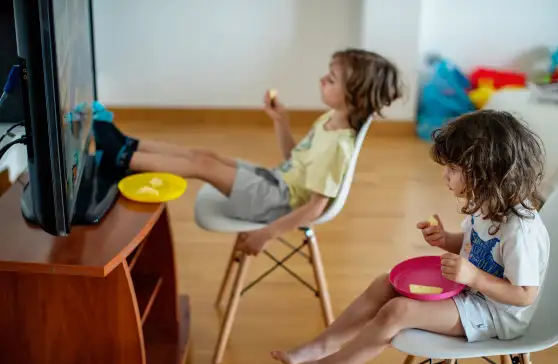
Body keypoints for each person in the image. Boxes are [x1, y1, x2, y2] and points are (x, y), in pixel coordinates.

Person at [271, 109, 550, 364]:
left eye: (453, 169)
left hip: (496, 314)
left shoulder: (520, 229)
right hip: (470, 293)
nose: (445, 175)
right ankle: (322, 346)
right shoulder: (486, 203)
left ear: (486, 173)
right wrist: (446, 240)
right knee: (384, 283)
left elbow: (525, 294)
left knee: (398, 311)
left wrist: (475, 278)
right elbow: (475, 245)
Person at [93, 48, 403, 255]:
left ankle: (122, 160)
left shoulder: (339, 147)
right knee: (205, 156)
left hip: (275, 203)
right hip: (275, 182)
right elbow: (293, 160)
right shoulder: (329, 121)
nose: (323, 79)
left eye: (331, 79)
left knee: (203, 165)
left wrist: (266, 234)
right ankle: (130, 146)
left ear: (355, 97)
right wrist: (281, 121)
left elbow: (314, 207)